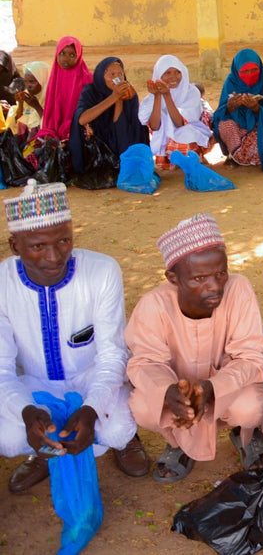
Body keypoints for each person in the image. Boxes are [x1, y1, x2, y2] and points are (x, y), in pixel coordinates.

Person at [0, 181, 149, 492]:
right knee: (9, 437)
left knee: (118, 430)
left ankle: (125, 440)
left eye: (63, 240)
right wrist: (28, 411)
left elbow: (112, 354)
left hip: (91, 377)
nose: (54, 256)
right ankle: (43, 452)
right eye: (38, 246)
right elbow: (1, 370)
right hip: (34, 385)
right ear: (15, 246)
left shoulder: (102, 270)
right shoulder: (3, 283)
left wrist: (92, 408)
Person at [126, 214, 263, 482]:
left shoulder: (238, 289)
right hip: (176, 390)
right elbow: (144, 363)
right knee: (143, 406)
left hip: (225, 388)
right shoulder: (153, 305)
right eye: (199, 278)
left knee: (250, 406)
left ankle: (246, 435)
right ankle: (179, 443)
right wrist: (169, 393)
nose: (214, 286)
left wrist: (213, 388)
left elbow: (252, 357)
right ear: (173, 277)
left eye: (220, 273)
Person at [67, 57, 148, 175]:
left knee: (138, 125)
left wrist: (119, 100)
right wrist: (113, 97)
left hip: (120, 141)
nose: (117, 77)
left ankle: (126, 163)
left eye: (120, 74)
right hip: (97, 143)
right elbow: (81, 119)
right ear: (101, 75)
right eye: (112, 74)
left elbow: (120, 128)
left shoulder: (128, 92)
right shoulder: (90, 92)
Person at [138, 55, 213, 168]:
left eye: (177, 72)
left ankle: (196, 156)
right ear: (159, 75)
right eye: (167, 73)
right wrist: (158, 95)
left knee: (184, 136)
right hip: (166, 137)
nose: (173, 77)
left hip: (190, 132)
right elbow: (154, 126)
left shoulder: (191, 92)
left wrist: (167, 95)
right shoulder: (151, 98)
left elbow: (179, 123)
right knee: (172, 140)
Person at [212, 49, 263, 170]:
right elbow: (219, 114)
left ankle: (242, 157)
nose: (250, 74)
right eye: (245, 71)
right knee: (225, 125)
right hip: (235, 124)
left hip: (257, 124)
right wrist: (230, 106)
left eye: (254, 70)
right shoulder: (231, 81)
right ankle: (233, 155)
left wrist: (255, 107)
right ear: (237, 70)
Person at [38, 36, 90, 143]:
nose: (65, 59)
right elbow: (50, 112)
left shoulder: (87, 79)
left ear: (79, 56)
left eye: (72, 55)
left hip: (79, 131)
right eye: (61, 54)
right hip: (53, 133)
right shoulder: (54, 79)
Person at [13, 62, 48, 136]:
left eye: (32, 82)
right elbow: (18, 120)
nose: (28, 86)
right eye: (25, 81)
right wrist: (21, 103)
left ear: (42, 80)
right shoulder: (27, 95)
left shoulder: (50, 97)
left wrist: (37, 106)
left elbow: (48, 125)